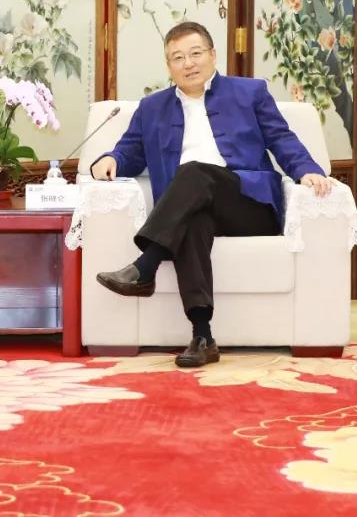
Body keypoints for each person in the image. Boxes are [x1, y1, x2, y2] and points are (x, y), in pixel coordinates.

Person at [92, 21, 332, 368]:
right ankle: (202, 336)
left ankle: (146, 265)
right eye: (177, 58)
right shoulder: (152, 108)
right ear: (168, 66)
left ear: (213, 55)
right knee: (193, 222)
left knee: (193, 171)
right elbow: (129, 152)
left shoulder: (250, 92)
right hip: (190, 207)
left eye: (195, 53)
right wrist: (110, 159)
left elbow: (281, 138)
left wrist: (306, 169)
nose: (188, 63)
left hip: (248, 204)